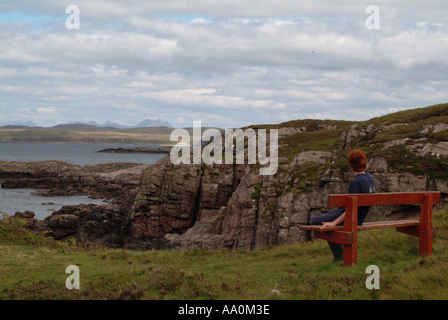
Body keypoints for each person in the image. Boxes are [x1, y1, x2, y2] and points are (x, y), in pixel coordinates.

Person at [308, 149, 376, 262]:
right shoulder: (370, 178)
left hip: (353, 218)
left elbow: (351, 210)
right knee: (328, 217)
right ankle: (338, 256)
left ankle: (338, 257)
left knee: (313, 220)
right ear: (365, 162)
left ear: (350, 165)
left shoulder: (356, 183)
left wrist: (334, 223)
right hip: (355, 215)